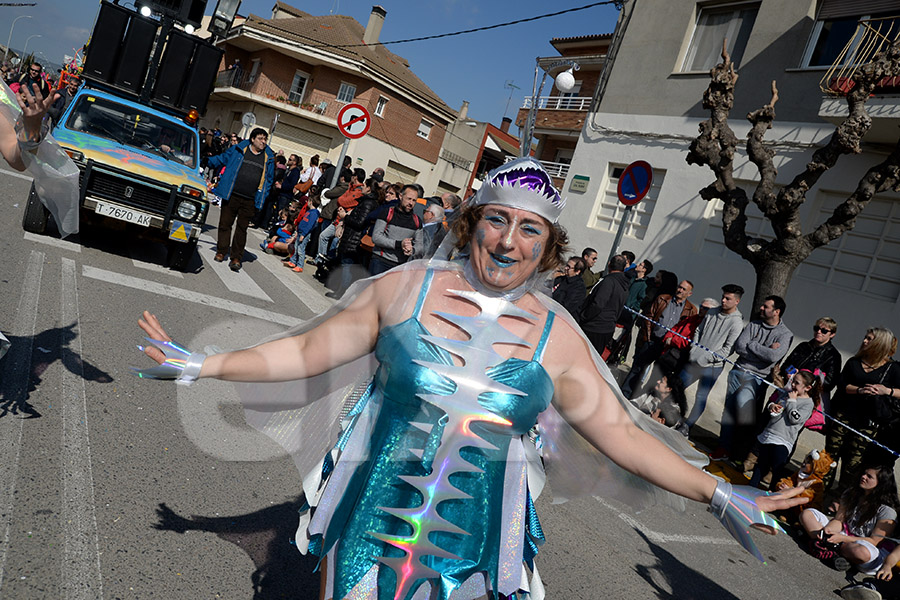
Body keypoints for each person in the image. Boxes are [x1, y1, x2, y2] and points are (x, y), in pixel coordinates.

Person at [133, 157, 806, 599]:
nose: (510, 242)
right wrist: (204, 363)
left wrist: (719, 495)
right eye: (498, 220)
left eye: (530, 231)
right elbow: (304, 354)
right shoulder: (401, 291)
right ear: (472, 222)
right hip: (371, 522)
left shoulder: (558, 336)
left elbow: (622, 437)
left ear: (549, 248)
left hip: (472, 547)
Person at [711, 295, 793, 462]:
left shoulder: (785, 334)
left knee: (744, 414)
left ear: (776, 312)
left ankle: (738, 452)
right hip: (737, 372)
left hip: (757, 379)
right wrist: (763, 350)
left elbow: (774, 356)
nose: (761, 308)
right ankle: (723, 448)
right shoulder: (754, 324)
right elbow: (740, 346)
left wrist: (753, 344)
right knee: (729, 412)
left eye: (766, 307)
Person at [827, 328, 900, 486]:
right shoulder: (854, 362)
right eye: (865, 337)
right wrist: (859, 390)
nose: (864, 341)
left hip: (868, 422)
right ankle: (819, 491)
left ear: (880, 343)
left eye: (869, 339)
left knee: (854, 462)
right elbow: (842, 385)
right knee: (830, 456)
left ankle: (841, 498)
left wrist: (886, 390)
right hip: (844, 415)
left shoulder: (893, 368)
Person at [800, 464, 898, 574]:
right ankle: (832, 551)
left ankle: (822, 545)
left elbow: (874, 542)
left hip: (866, 547)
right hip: (844, 534)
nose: (863, 477)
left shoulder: (887, 511)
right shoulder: (851, 493)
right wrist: (828, 530)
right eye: (864, 473)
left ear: (881, 483)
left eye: (869, 477)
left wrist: (841, 539)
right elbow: (839, 520)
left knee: (861, 553)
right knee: (807, 514)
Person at [677, 284, 745, 435]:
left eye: (728, 298)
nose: (723, 300)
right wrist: (695, 349)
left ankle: (687, 426)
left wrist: (706, 357)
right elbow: (699, 330)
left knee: (701, 396)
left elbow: (728, 349)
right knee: (677, 387)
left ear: (737, 302)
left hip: (712, 367)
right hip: (694, 360)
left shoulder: (737, 322)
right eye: (723, 296)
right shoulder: (712, 312)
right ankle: (672, 416)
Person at [207, 127, 276, 271]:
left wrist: (262, 198)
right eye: (260, 139)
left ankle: (236, 257)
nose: (263, 142)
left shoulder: (268, 158)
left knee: (242, 229)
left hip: (250, 200)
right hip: (232, 194)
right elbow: (222, 158)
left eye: (265, 139)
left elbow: (269, 180)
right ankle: (221, 251)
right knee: (225, 224)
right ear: (252, 139)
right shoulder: (239, 150)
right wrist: (206, 160)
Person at [621, 279, 696, 398]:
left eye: (683, 289)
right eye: (679, 287)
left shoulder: (691, 310)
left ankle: (643, 399)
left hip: (668, 348)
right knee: (638, 369)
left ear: (689, 293)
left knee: (657, 376)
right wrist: (648, 337)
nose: (680, 290)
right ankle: (625, 394)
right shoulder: (663, 299)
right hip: (652, 341)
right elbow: (649, 316)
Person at [748, 369, 820, 488]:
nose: (792, 385)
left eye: (797, 383)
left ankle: (771, 495)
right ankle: (750, 488)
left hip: (783, 440)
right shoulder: (787, 393)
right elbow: (775, 403)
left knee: (776, 471)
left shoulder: (808, 403)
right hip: (770, 433)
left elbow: (795, 419)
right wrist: (772, 407)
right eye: (793, 381)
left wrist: (792, 401)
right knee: (761, 465)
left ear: (807, 388)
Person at [578, 254, 630, 357]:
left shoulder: (609, 282)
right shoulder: (624, 286)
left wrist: (583, 317)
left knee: (582, 357)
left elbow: (598, 304)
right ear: (624, 268)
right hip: (607, 327)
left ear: (609, 264)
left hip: (594, 327)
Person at [370, 184, 423, 275]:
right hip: (380, 261)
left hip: (400, 266)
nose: (411, 203)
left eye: (414, 200)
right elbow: (376, 238)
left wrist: (412, 250)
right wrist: (399, 244)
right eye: (409, 199)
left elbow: (420, 245)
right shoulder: (387, 213)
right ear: (400, 196)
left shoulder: (417, 221)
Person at [608, 258, 653, 365]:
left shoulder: (644, 284)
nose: (638, 265)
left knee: (618, 338)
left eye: (641, 265)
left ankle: (615, 357)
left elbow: (640, 300)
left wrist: (631, 307)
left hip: (627, 316)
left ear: (644, 270)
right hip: (618, 311)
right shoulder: (631, 278)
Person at [285, 195, 321, 272]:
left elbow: (310, 225)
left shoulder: (314, 213)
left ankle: (300, 265)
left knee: (301, 250)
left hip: (304, 234)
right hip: (300, 232)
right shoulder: (309, 211)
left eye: (308, 201)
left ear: (311, 202)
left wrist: (303, 234)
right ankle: (293, 261)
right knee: (296, 248)